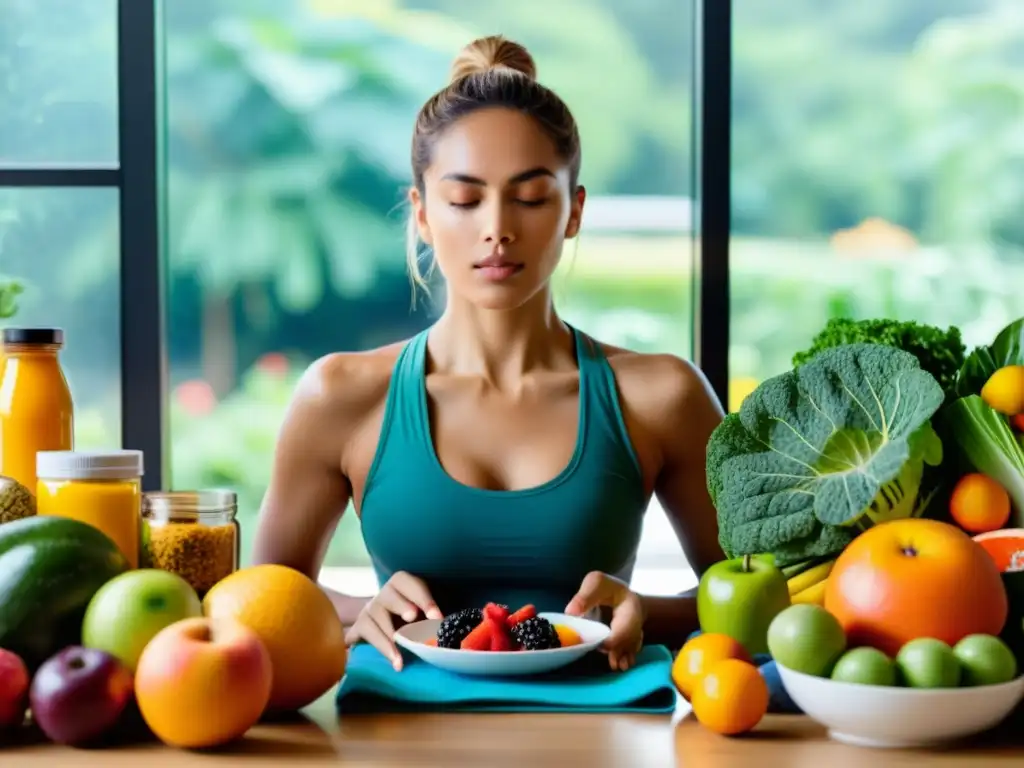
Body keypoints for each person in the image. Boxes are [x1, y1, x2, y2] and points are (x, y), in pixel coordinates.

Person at [251, 35, 726, 673]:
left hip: (603, 740)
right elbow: (259, 598)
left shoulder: (662, 395)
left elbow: (760, 601)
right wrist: (359, 607)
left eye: (530, 198)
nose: (496, 227)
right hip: (395, 739)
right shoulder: (340, 395)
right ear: (421, 213)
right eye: (465, 199)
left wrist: (648, 609)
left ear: (573, 211)